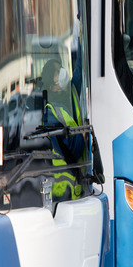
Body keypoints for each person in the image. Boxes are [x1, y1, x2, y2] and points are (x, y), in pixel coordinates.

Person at [41, 58, 84, 200]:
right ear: (53, 87)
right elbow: (72, 149)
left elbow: (81, 64)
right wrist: (83, 134)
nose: (63, 73)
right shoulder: (50, 113)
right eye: (58, 72)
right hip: (65, 193)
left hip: (80, 185)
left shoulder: (71, 90)